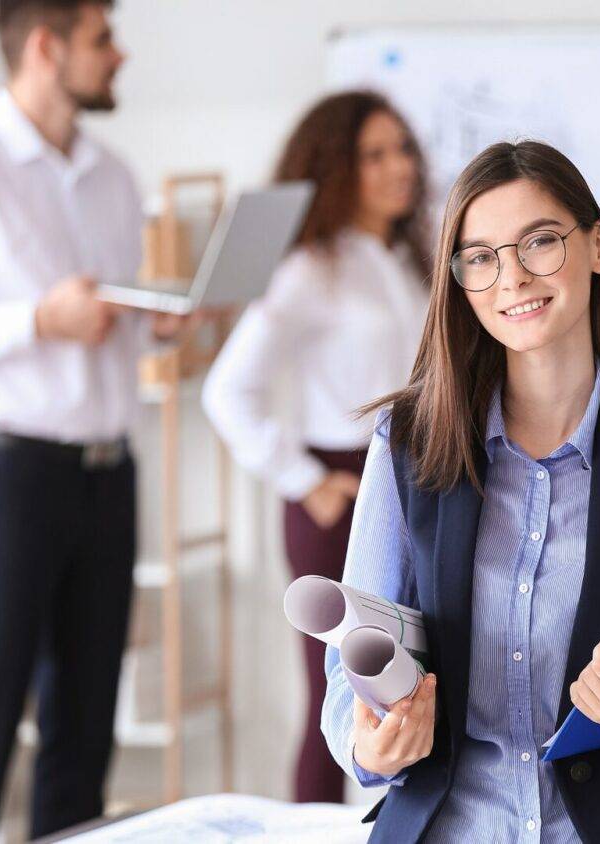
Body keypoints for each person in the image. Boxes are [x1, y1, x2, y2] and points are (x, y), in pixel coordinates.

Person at [319, 141, 600, 842]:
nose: (513, 277)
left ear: (597, 248)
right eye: (482, 257)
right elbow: (348, 681)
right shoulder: (407, 444)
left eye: (540, 243)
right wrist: (369, 748)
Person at [0, 1, 201, 840]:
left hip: (106, 475)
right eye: (103, 40)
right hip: (6, 480)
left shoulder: (115, 176)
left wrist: (148, 321)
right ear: (47, 48)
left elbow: (98, 321)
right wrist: (34, 321)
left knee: (84, 736)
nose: (120, 56)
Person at [201, 91, 431, 804]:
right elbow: (226, 390)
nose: (400, 167)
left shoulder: (405, 262)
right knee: (339, 705)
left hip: (415, 487)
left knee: (418, 696)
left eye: (403, 149)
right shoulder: (309, 268)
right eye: (375, 154)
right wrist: (305, 478)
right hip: (340, 495)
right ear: (336, 168)